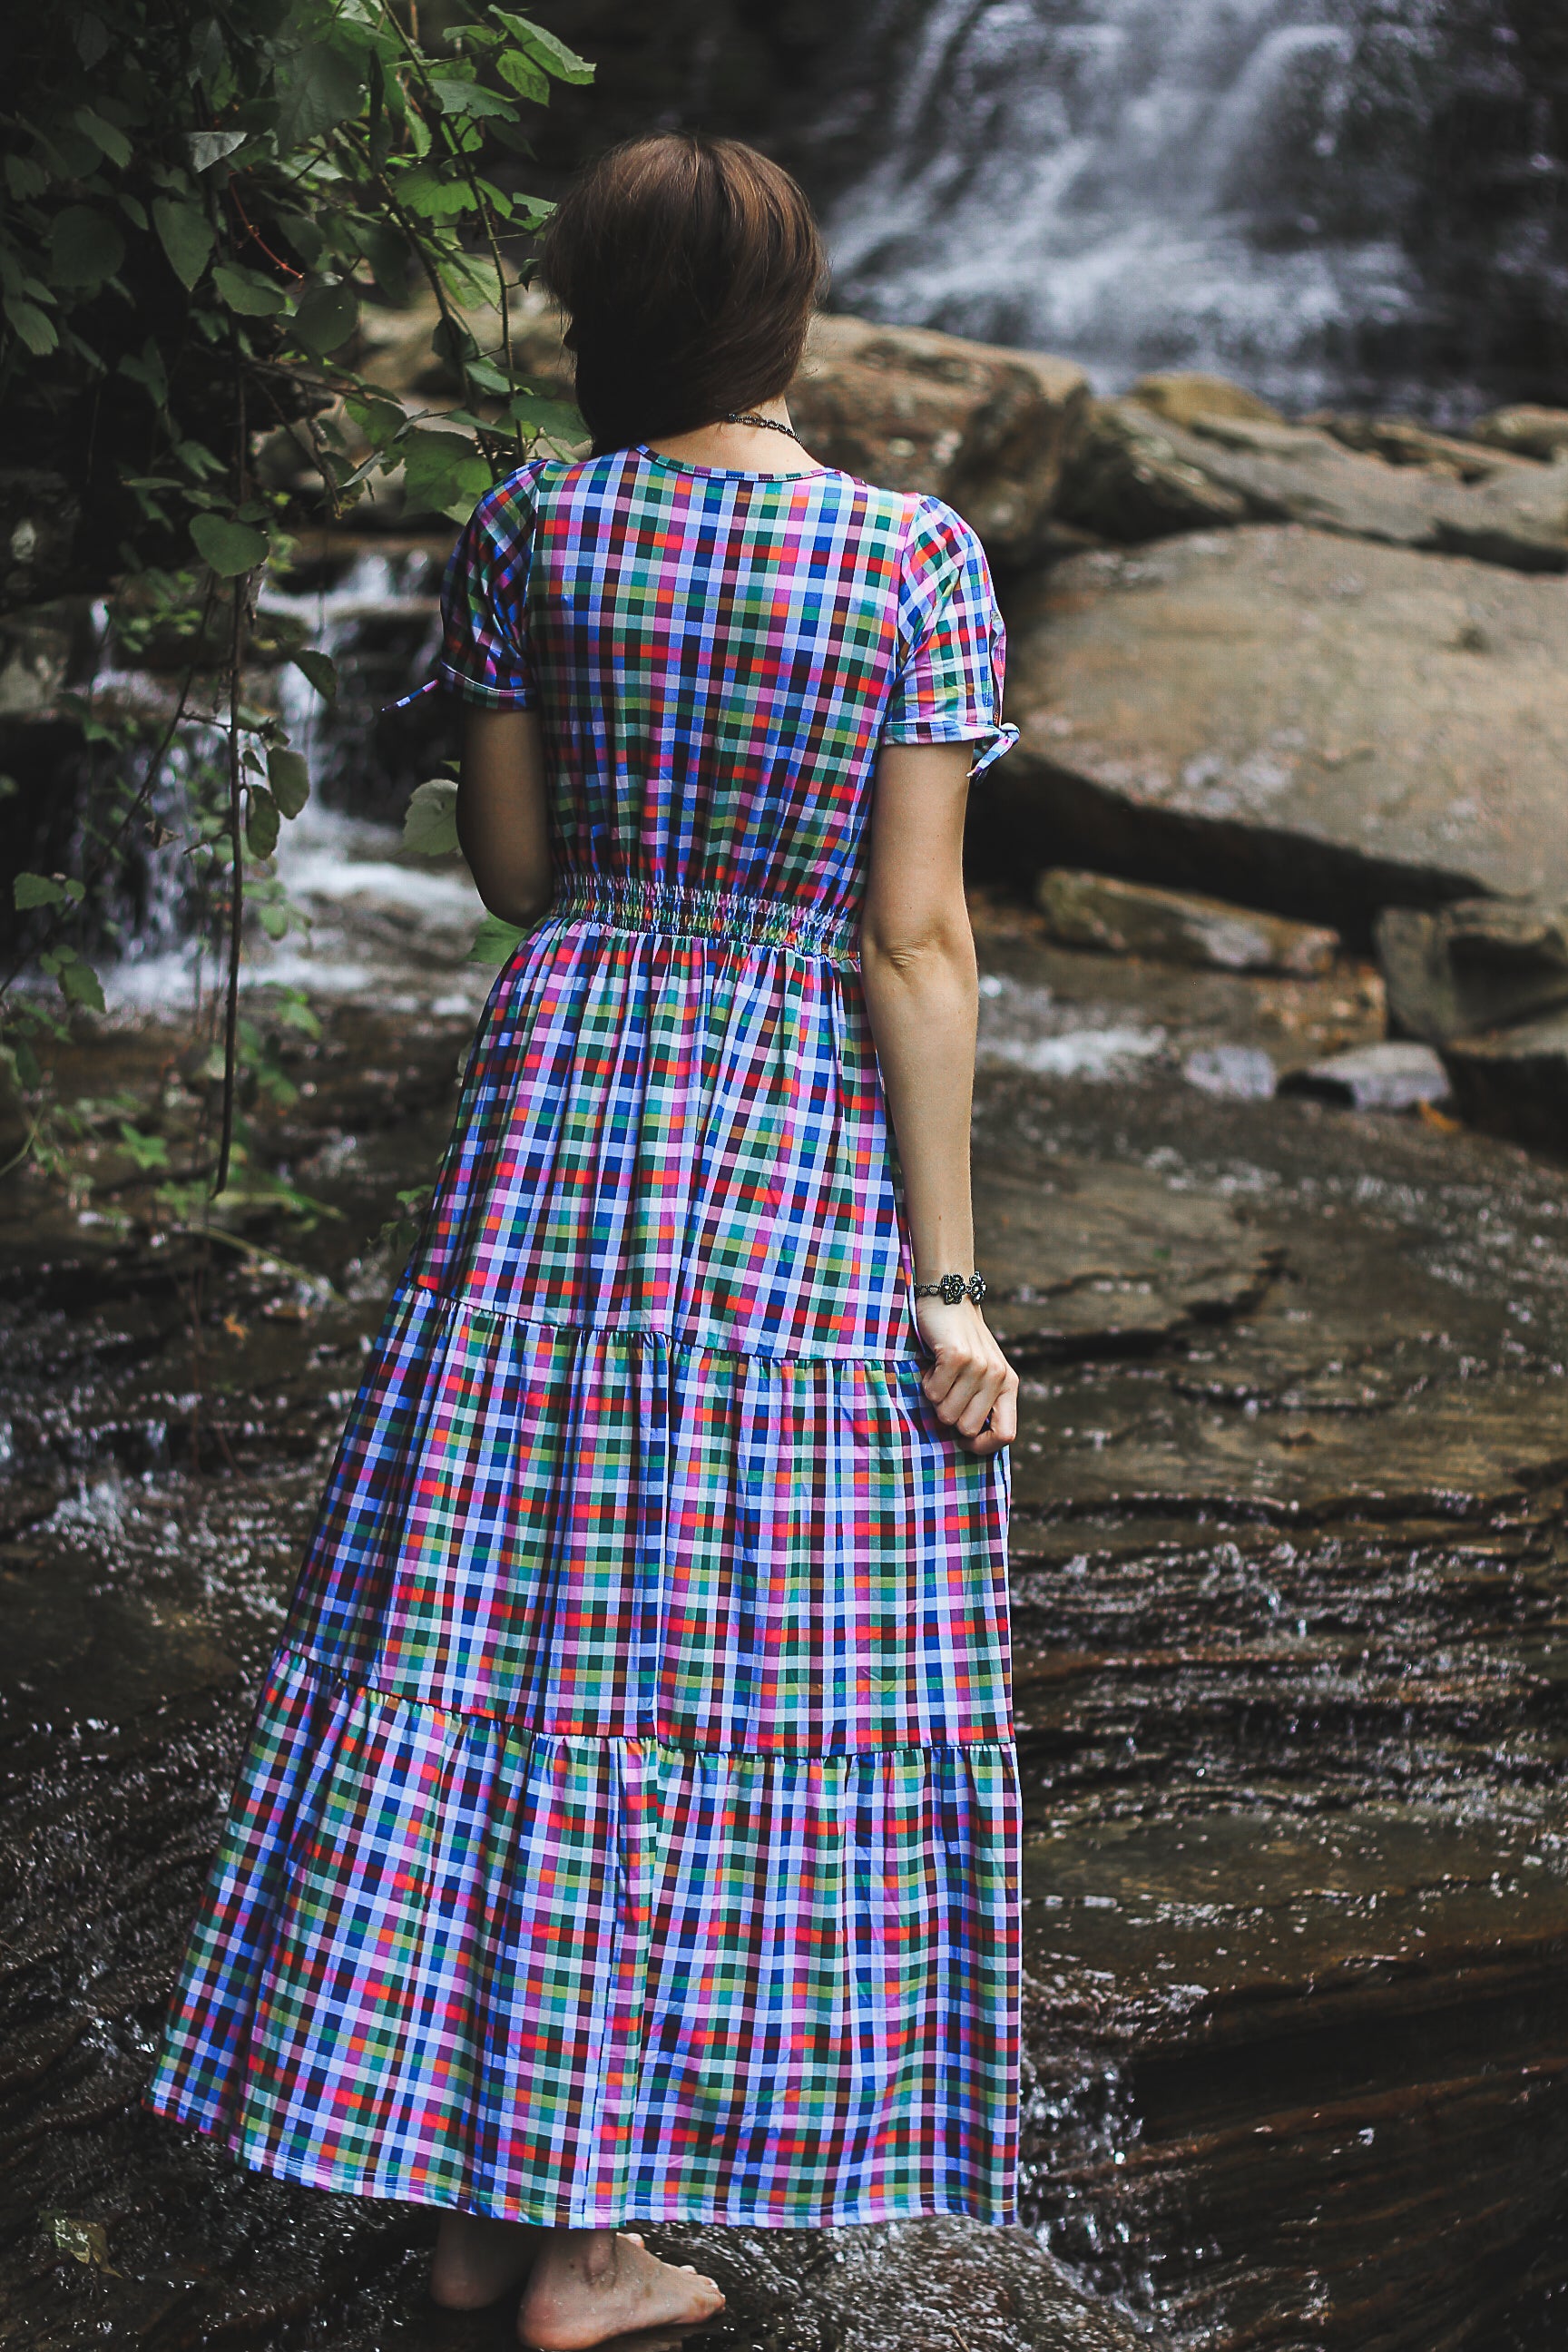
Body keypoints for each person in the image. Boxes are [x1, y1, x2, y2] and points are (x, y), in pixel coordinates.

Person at [146, 132, 1021, 2349]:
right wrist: (947, 1286)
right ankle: (597, 2246)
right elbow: (916, 943)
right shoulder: (913, 559)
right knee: (714, 1642)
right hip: (781, 1118)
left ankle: (477, 2203)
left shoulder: (532, 522)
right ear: (790, 312)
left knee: (505, 1608)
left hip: (563, 1099)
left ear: (600, 318)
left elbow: (517, 874)